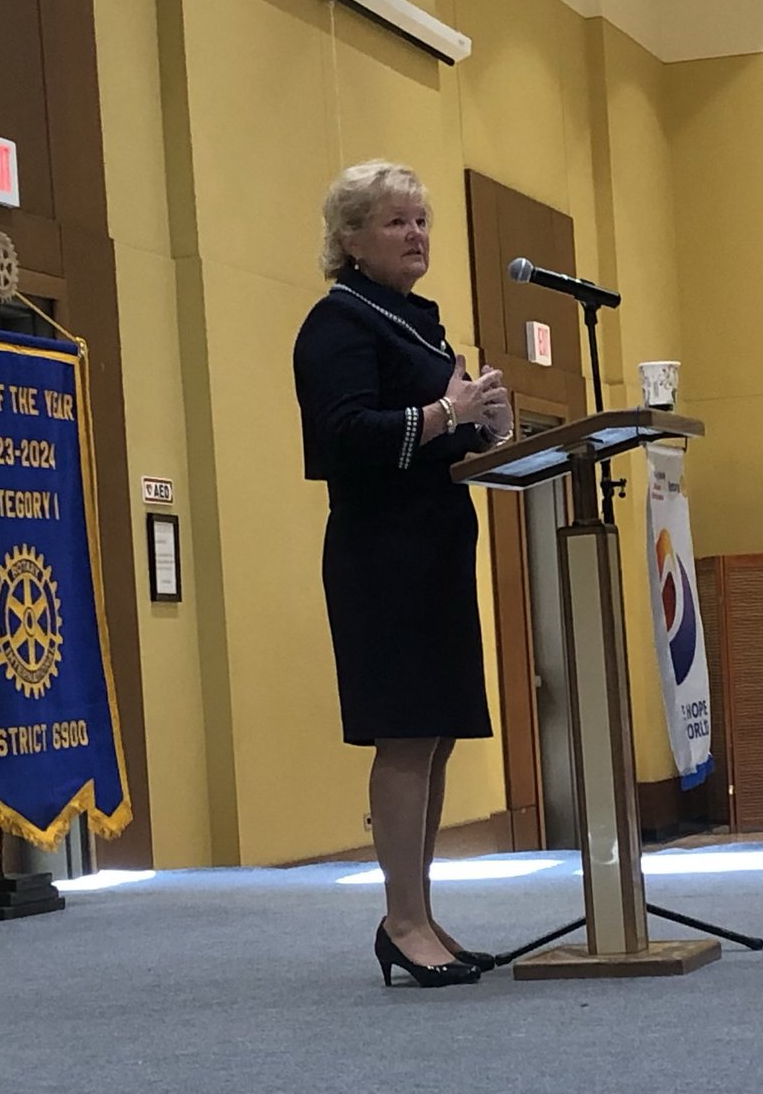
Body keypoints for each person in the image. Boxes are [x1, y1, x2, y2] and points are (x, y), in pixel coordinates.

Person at [293, 160, 514, 988]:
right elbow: (344, 438)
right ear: (350, 239)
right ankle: (403, 920)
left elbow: (438, 435)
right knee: (404, 733)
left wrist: (484, 425)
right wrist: (446, 414)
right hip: (379, 553)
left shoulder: (418, 321)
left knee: (438, 731)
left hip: (437, 545)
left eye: (421, 219)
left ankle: (417, 914)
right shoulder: (338, 324)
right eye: (396, 222)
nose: (417, 234)